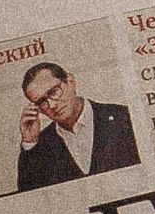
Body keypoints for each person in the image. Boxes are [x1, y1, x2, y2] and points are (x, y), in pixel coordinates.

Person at [16, 60, 139, 188]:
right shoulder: (39, 147)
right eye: (41, 101)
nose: (52, 105)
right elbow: (30, 199)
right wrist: (30, 143)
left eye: (53, 92)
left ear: (70, 82)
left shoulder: (124, 117)